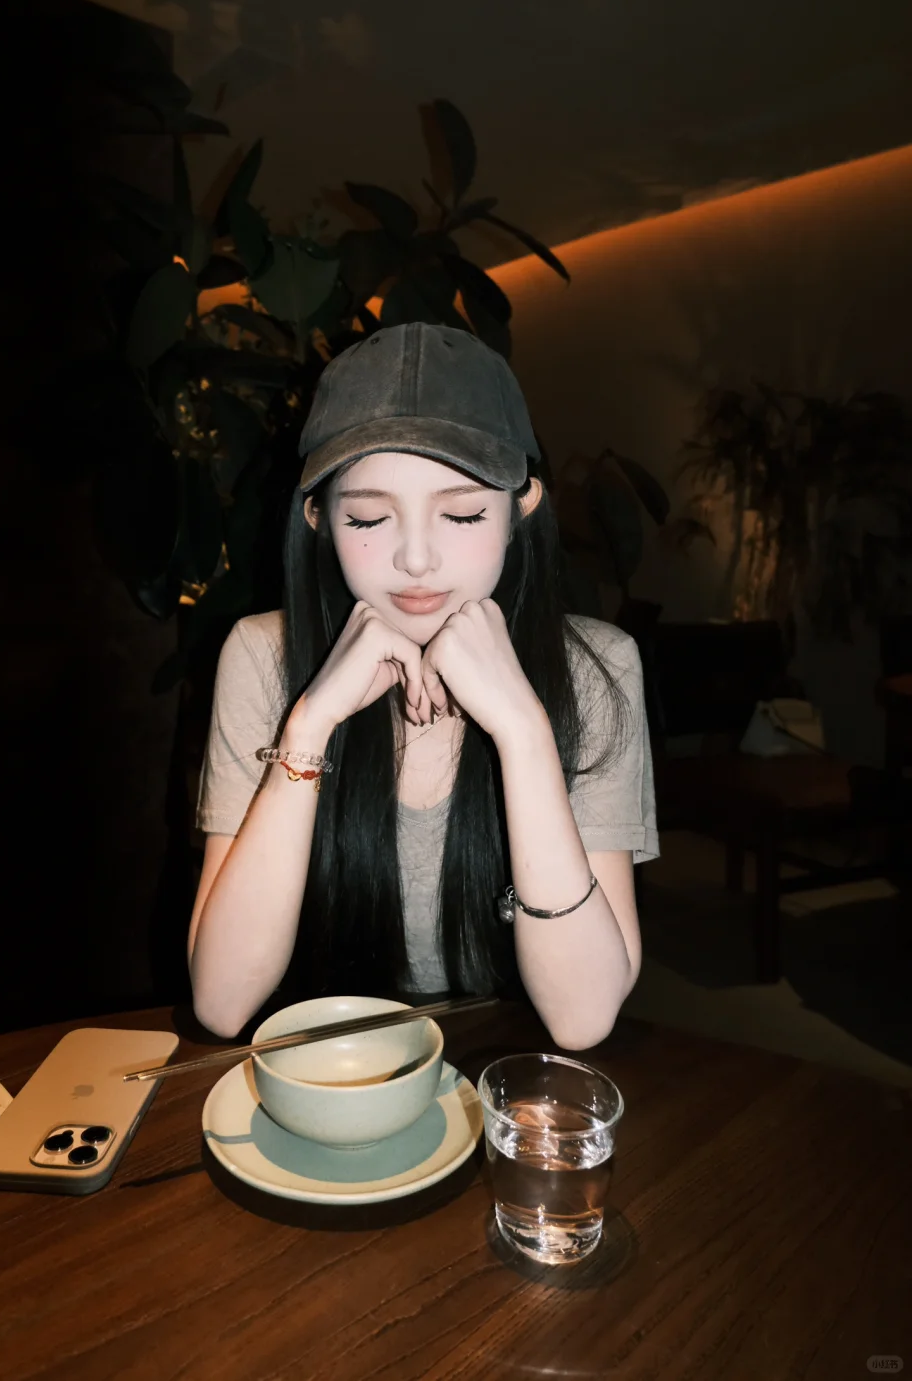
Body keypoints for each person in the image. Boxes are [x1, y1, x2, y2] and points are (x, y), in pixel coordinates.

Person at [189, 322, 659, 1043]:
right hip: (329, 1069)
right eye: (369, 516)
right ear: (319, 518)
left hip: (504, 1072)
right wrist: (309, 726)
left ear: (520, 510)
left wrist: (524, 734)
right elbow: (222, 1002)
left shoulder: (596, 666)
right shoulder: (263, 655)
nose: (415, 558)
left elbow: (583, 1018)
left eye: (462, 512)